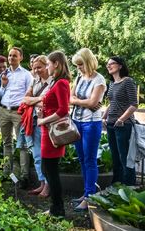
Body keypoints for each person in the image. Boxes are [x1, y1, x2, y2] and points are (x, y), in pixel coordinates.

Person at [70, 48, 106, 211]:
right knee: (82, 159)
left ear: (88, 62)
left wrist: (78, 101)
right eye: (77, 65)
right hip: (76, 121)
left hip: (91, 123)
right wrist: (82, 101)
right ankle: (86, 193)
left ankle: (89, 196)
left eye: (80, 65)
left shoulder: (99, 80)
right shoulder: (79, 77)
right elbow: (70, 98)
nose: (78, 68)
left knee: (90, 160)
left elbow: (93, 104)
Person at [37, 50, 71, 218]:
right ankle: (55, 208)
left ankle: (57, 209)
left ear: (56, 63)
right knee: (48, 168)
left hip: (52, 132)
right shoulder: (55, 82)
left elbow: (64, 110)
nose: (47, 67)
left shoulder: (61, 83)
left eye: (49, 64)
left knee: (51, 170)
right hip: (47, 131)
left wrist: (43, 120)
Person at [0, 47, 33, 187]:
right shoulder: (5, 74)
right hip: (4, 110)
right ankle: (7, 173)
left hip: (18, 112)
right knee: (7, 143)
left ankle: (24, 177)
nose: (11, 58)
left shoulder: (26, 75)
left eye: (14, 56)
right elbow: (1, 94)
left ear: (21, 58)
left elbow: (29, 95)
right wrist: (3, 85)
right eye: (10, 55)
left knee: (22, 144)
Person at [102, 56, 138, 186]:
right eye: (107, 64)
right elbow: (112, 103)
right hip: (111, 124)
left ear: (120, 66)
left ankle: (129, 187)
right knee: (115, 158)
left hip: (124, 125)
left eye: (112, 63)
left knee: (125, 158)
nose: (109, 66)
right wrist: (104, 117)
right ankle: (116, 186)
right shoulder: (112, 84)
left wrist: (121, 119)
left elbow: (134, 104)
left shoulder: (127, 81)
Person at [21, 55, 52, 198]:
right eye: (34, 68)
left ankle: (48, 185)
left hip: (45, 122)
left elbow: (49, 103)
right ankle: (41, 183)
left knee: (45, 155)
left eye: (39, 67)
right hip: (32, 121)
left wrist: (36, 100)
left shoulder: (53, 82)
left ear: (47, 66)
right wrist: (39, 99)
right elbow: (26, 99)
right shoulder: (35, 81)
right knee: (36, 155)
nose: (36, 70)